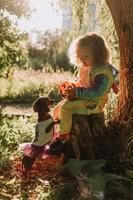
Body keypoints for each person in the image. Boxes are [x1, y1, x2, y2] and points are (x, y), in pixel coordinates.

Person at [53, 33, 119, 141]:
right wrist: (72, 87)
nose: (82, 61)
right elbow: (83, 83)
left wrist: (77, 92)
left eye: (86, 57)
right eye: (80, 57)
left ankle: (62, 138)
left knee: (66, 108)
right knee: (58, 108)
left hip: (94, 103)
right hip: (85, 98)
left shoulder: (101, 72)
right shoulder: (87, 66)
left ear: (98, 54)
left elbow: (97, 93)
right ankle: (55, 133)